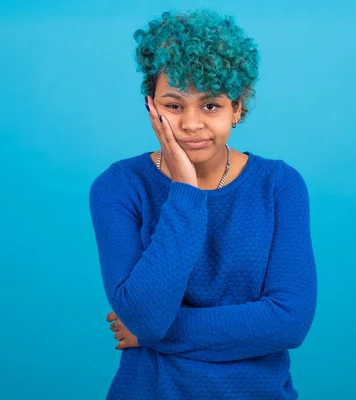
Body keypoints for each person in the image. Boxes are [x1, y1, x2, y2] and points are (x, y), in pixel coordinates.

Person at [89, 8, 317, 399]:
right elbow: (144, 315)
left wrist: (153, 335)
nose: (191, 124)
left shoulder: (279, 185)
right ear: (151, 105)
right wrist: (186, 192)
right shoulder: (119, 186)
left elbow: (289, 321)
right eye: (174, 105)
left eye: (210, 105)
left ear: (237, 108)